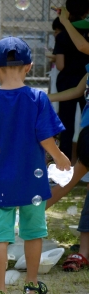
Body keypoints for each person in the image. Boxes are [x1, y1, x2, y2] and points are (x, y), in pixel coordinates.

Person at [0, 37, 71, 294]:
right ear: (29, 67)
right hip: (32, 180)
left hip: (0, 181)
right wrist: (59, 157)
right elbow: (45, 137)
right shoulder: (38, 97)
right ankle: (32, 285)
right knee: (33, 233)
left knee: (0, 235)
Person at [47, 68, 89, 272]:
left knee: (68, 182)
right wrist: (45, 97)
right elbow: (76, 91)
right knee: (68, 181)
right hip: (88, 134)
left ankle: (26, 217)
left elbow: (81, 46)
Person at [54, 0, 89, 164]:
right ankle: (84, 163)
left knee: (65, 124)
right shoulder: (87, 30)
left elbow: (60, 65)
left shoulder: (62, 35)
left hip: (67, 81)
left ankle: (65, 161)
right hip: (85, 81)